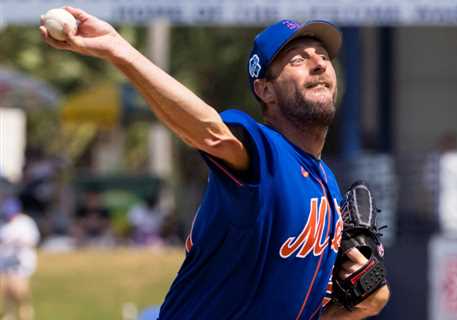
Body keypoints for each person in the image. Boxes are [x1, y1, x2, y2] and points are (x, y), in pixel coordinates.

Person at [40, 8, 390, 319]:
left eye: (323, 56)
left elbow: (349, 301)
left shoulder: (327, 186)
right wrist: (121, 51)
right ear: (265, 90)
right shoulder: (264, 151)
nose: (318, 63)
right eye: (297, 60)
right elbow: (210, 134)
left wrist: (367, 299)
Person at [0, 197, 40, 320]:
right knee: (5, 289)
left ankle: (25, 313)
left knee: (18, 289)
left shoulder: (25, 223)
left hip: (21, 262)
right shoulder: (3, 223)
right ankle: (9, 314)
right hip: (5, 261)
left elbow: (33, 241)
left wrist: (19, 242)